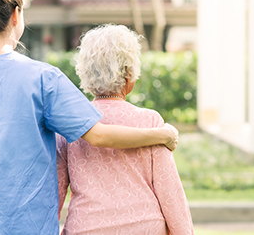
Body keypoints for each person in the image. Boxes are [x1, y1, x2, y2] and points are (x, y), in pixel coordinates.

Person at [0, 0, 179, 235]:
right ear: (15, 15)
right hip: (25, 227)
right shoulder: (42, 78)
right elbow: (100, 136)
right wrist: (161, 135)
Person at [57, 24, 194, 235]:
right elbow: (170, 194)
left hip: (87, 228)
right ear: (129, 73)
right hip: (144, 227)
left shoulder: (71, 124)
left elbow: (54, 192)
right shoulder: (150, 121)